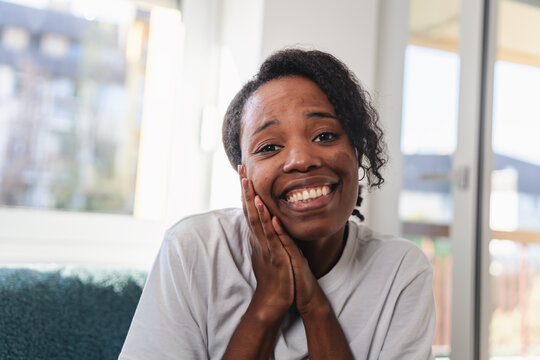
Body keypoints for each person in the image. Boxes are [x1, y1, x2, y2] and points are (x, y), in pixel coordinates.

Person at [119, 49, 435, 359]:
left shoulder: (401, 269)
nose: (301, 159)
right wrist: (269, 300)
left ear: (357, 152)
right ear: (243, 175)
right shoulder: (194, 249)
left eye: (325, 136)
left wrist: (315, 305)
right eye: (269, 146)